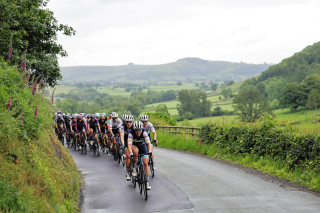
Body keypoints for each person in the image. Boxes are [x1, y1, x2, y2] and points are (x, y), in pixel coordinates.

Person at [128, 121, 152, 190]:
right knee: (135, 151)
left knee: (145, 163)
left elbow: (148, 143)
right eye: (136, 130)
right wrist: (131, 153)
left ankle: (147, 181)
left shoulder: (144, 133)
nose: (138, 132)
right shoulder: (131, 134)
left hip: (142, 146)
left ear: (142, 129)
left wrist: (150, 151)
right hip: (134, 145)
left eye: (139, 130)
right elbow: (129, 145)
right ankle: (134, 167)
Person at [120, 115, 134, 180]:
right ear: (125, 122)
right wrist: (123, 144)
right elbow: (122, 137)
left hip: (134, 142)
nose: (128, 123)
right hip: (126, 142)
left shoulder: (134, 127)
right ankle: (128, 173)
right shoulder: (123, 127)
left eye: (130, 122)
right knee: (128, 157)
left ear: (132, 122)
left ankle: (135, 166)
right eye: (127, 122)